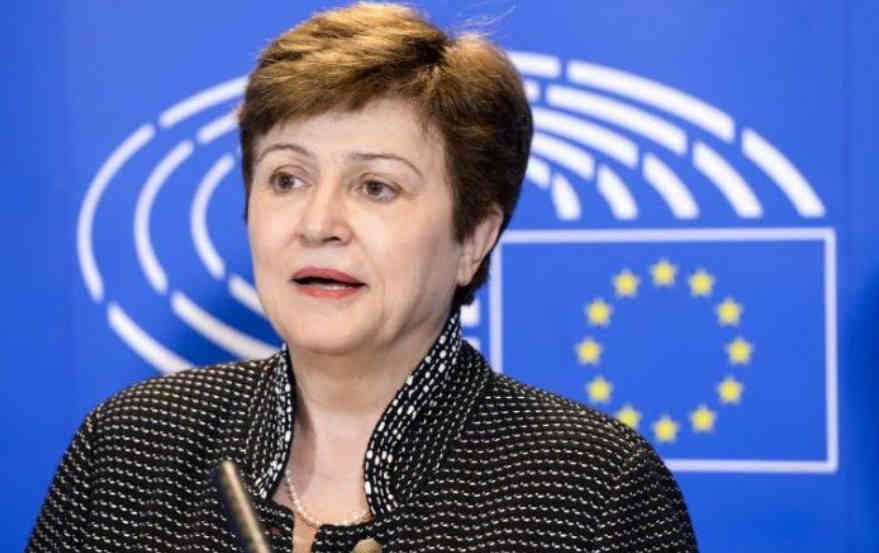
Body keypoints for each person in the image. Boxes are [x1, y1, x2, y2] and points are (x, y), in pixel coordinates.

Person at [28, 3, 698, 552]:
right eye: (286, 179)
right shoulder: (132, 446)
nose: (318, 223)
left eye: (376, 186)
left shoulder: (592, 490)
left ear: (473, 237)